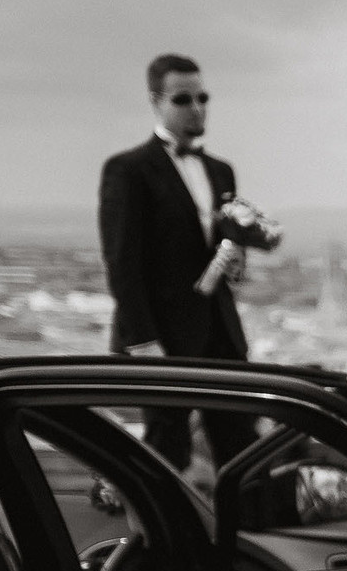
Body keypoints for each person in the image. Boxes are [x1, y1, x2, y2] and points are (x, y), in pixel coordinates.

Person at [96, 52, 281, 469]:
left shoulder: (221, 171)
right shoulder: (129, 170)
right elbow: (121, 262)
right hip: (163, 338)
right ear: (156, 101)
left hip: (220, 333)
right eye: (183, 99)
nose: (196, 108)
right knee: (167, 453)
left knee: (243, 450)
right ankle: (164, 535)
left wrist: (238, 257)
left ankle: (240, 531)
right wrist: (143, 343)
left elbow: (219, 252)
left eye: (203, 98)